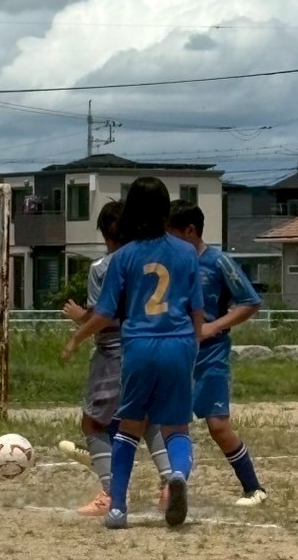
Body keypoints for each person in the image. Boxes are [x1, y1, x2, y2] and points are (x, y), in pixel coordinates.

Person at [63, 176, 203, 530]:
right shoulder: (187, 252)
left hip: (139, 345)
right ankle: (177, 475)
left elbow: (105, 313)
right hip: (179, 342)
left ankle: (118, 509)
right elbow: (197, 309)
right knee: (176, 427)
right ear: (165, 210)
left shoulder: (123, 257)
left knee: (128, 429)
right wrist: (194, 345)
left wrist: (77, 337)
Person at [60, 200, 172, 517]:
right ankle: (169, 483)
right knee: (146, 417)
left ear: (107, 235)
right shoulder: (151, 262)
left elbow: (106, 316)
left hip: (115, 352)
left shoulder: (104, 267)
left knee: (93, 422)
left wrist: (80, 323)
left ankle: (111, 492)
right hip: (154, 346)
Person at [169, 200, 267, 506]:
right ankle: (171, 488)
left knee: (218, 426)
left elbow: (250, 302)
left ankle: (254, 488)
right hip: (175, 354)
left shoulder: (218, 262)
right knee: (166, 424)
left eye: (172, 235)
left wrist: (214, 326)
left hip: (211, 356)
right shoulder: (170, 263)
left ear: (191, 231)